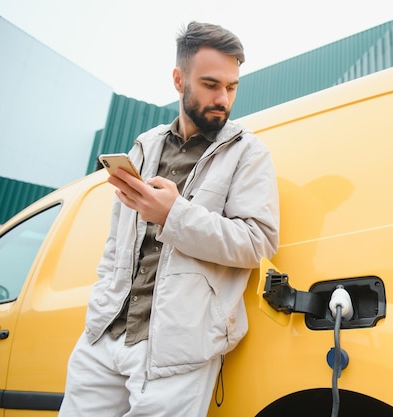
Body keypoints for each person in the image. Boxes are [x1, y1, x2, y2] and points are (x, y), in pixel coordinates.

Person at [59, 22, 280, 416]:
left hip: (177, 348)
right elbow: (117, 243)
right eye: (211, 84)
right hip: (105, 335)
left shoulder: (249, 153)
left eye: (231, 87)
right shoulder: (145, 145)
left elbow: (257, 242)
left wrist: (174, 215)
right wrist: (100, 306)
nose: (223, 98)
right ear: (179, 79)